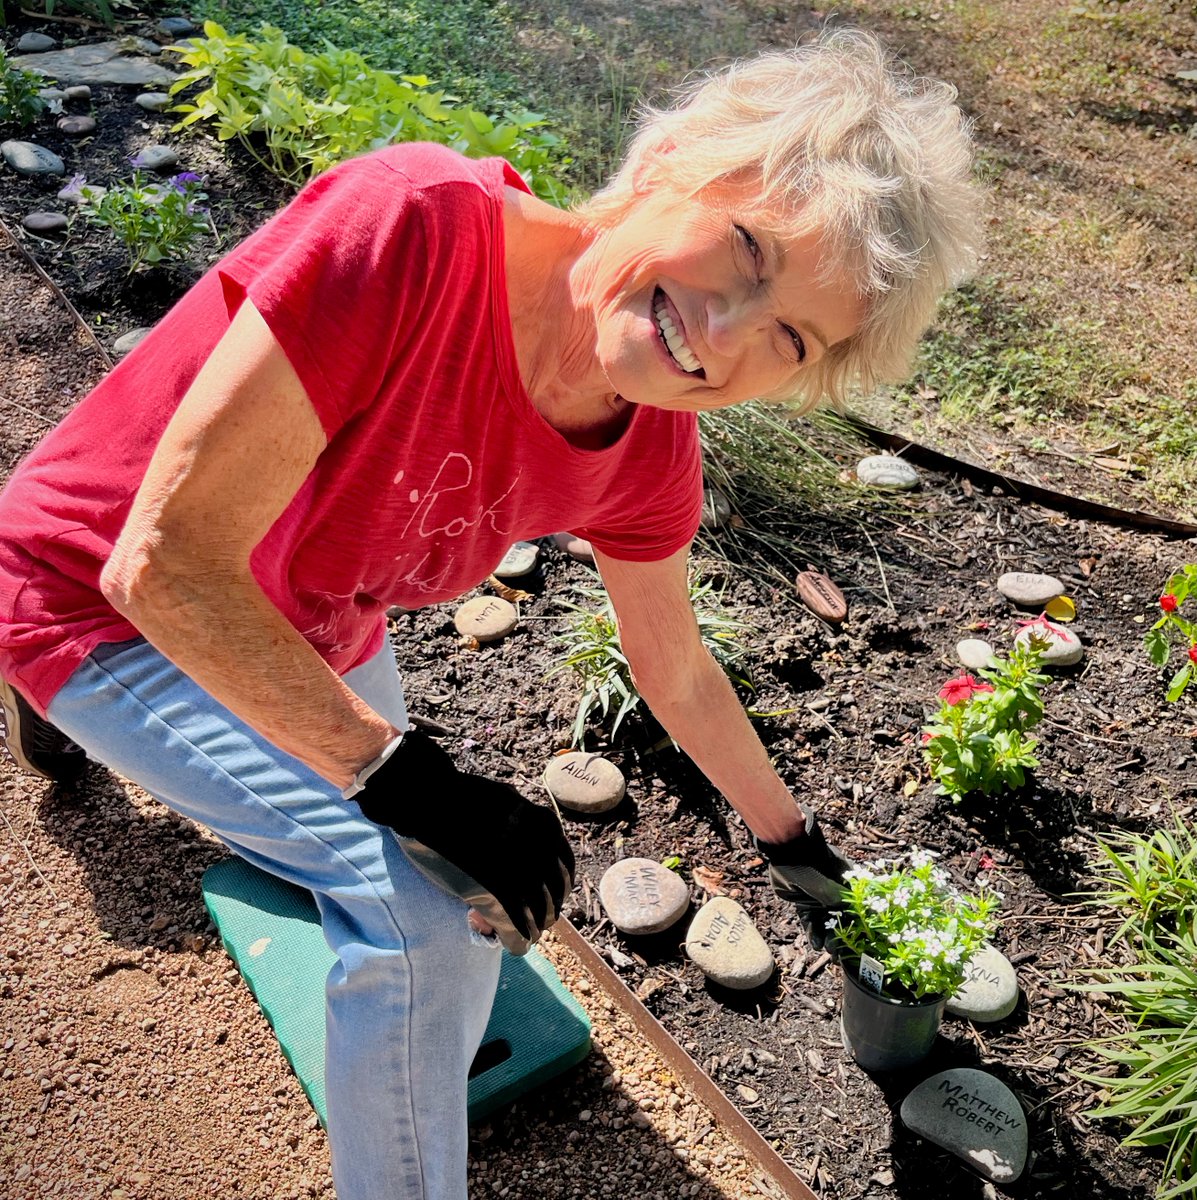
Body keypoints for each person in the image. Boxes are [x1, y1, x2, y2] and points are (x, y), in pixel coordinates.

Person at [0, 27, 981, 1200]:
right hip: (98, 589)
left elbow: (673, 669)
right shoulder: (412, 225)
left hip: (312, 619)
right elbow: (167, 567)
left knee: (445, 883)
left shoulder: (645, 446)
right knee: (422, 909)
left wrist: (796, 847)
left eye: (789, 337)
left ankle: (88, 730)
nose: (724, 332)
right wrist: (397, 778)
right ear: (667, 162)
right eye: (747, 248)